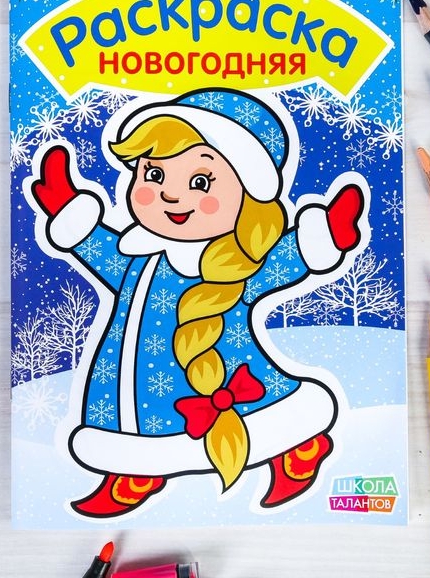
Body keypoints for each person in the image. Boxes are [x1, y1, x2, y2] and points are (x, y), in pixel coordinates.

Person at [28, 88, 370, 518]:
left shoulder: (240, 261)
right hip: (129, 372)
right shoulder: (139, 253)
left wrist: (323, 237)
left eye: (200, 182)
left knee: (263, 416)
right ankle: (131, 473)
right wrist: (70, 216)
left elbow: (285, 262)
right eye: (154, 174)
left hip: (222, 372)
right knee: (128, 416)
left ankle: (297, 448)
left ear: (247, 197)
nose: (171, 196)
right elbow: (103, 255)